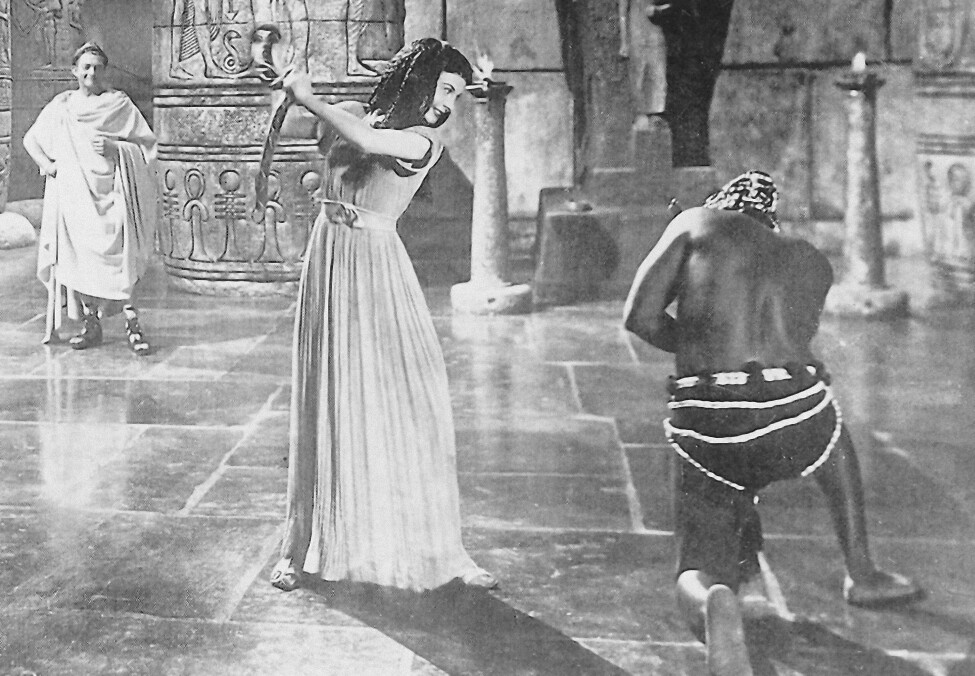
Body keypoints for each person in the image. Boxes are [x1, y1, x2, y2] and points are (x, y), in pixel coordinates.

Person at [623, 171, 923, 675]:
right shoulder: (810, 259)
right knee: (833, 435)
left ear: (722, 204)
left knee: (697, 561)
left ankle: (710, 597)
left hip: (713, 425)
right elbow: (792, 342)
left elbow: (640, 317)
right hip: (796, 418)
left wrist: (702, 348)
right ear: (771, 219)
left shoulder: (695, 222)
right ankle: (863, 572)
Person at [269, 38, 497, 593]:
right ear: (418, 80)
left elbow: (368, 141)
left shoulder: (423, 142)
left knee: (407, 396)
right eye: (445, 88)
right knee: (325, 394)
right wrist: (290, 88)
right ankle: (301, 544)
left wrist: (310, 98)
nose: (448, 104)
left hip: (374, 264)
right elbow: (338, 128)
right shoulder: (355, 115)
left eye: (457, 95)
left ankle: (438, 546)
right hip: (329, 258)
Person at [24, 41, 157, 355]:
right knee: (81, 261)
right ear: (75, 71)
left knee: (121, 256)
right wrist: (49, 166)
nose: (91, 73)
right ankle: (90, 324)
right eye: (85, 67)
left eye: (97, 68)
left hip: (113, 193)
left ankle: (132, 323)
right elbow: (31, 140)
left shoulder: (118, 105)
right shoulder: (63, 106)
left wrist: (117, 148)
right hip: (75, 196)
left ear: (105, 71)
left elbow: (147, 147)